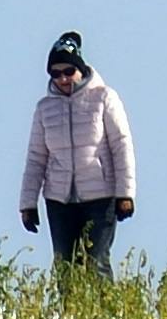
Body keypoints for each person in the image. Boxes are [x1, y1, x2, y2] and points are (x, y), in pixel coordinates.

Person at [17, 32, 138, 280]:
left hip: (100, 196)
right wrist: (27, 204)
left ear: (80, 69)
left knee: (95, 264)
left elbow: (121, 145)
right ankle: (69, 317)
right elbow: (36, 158)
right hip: (59, 200)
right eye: (56, 73)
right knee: (65, 266)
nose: (63, 78)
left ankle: (107, 316)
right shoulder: (44, 109)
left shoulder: (104, 98)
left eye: (68, 71)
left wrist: (125, 194)